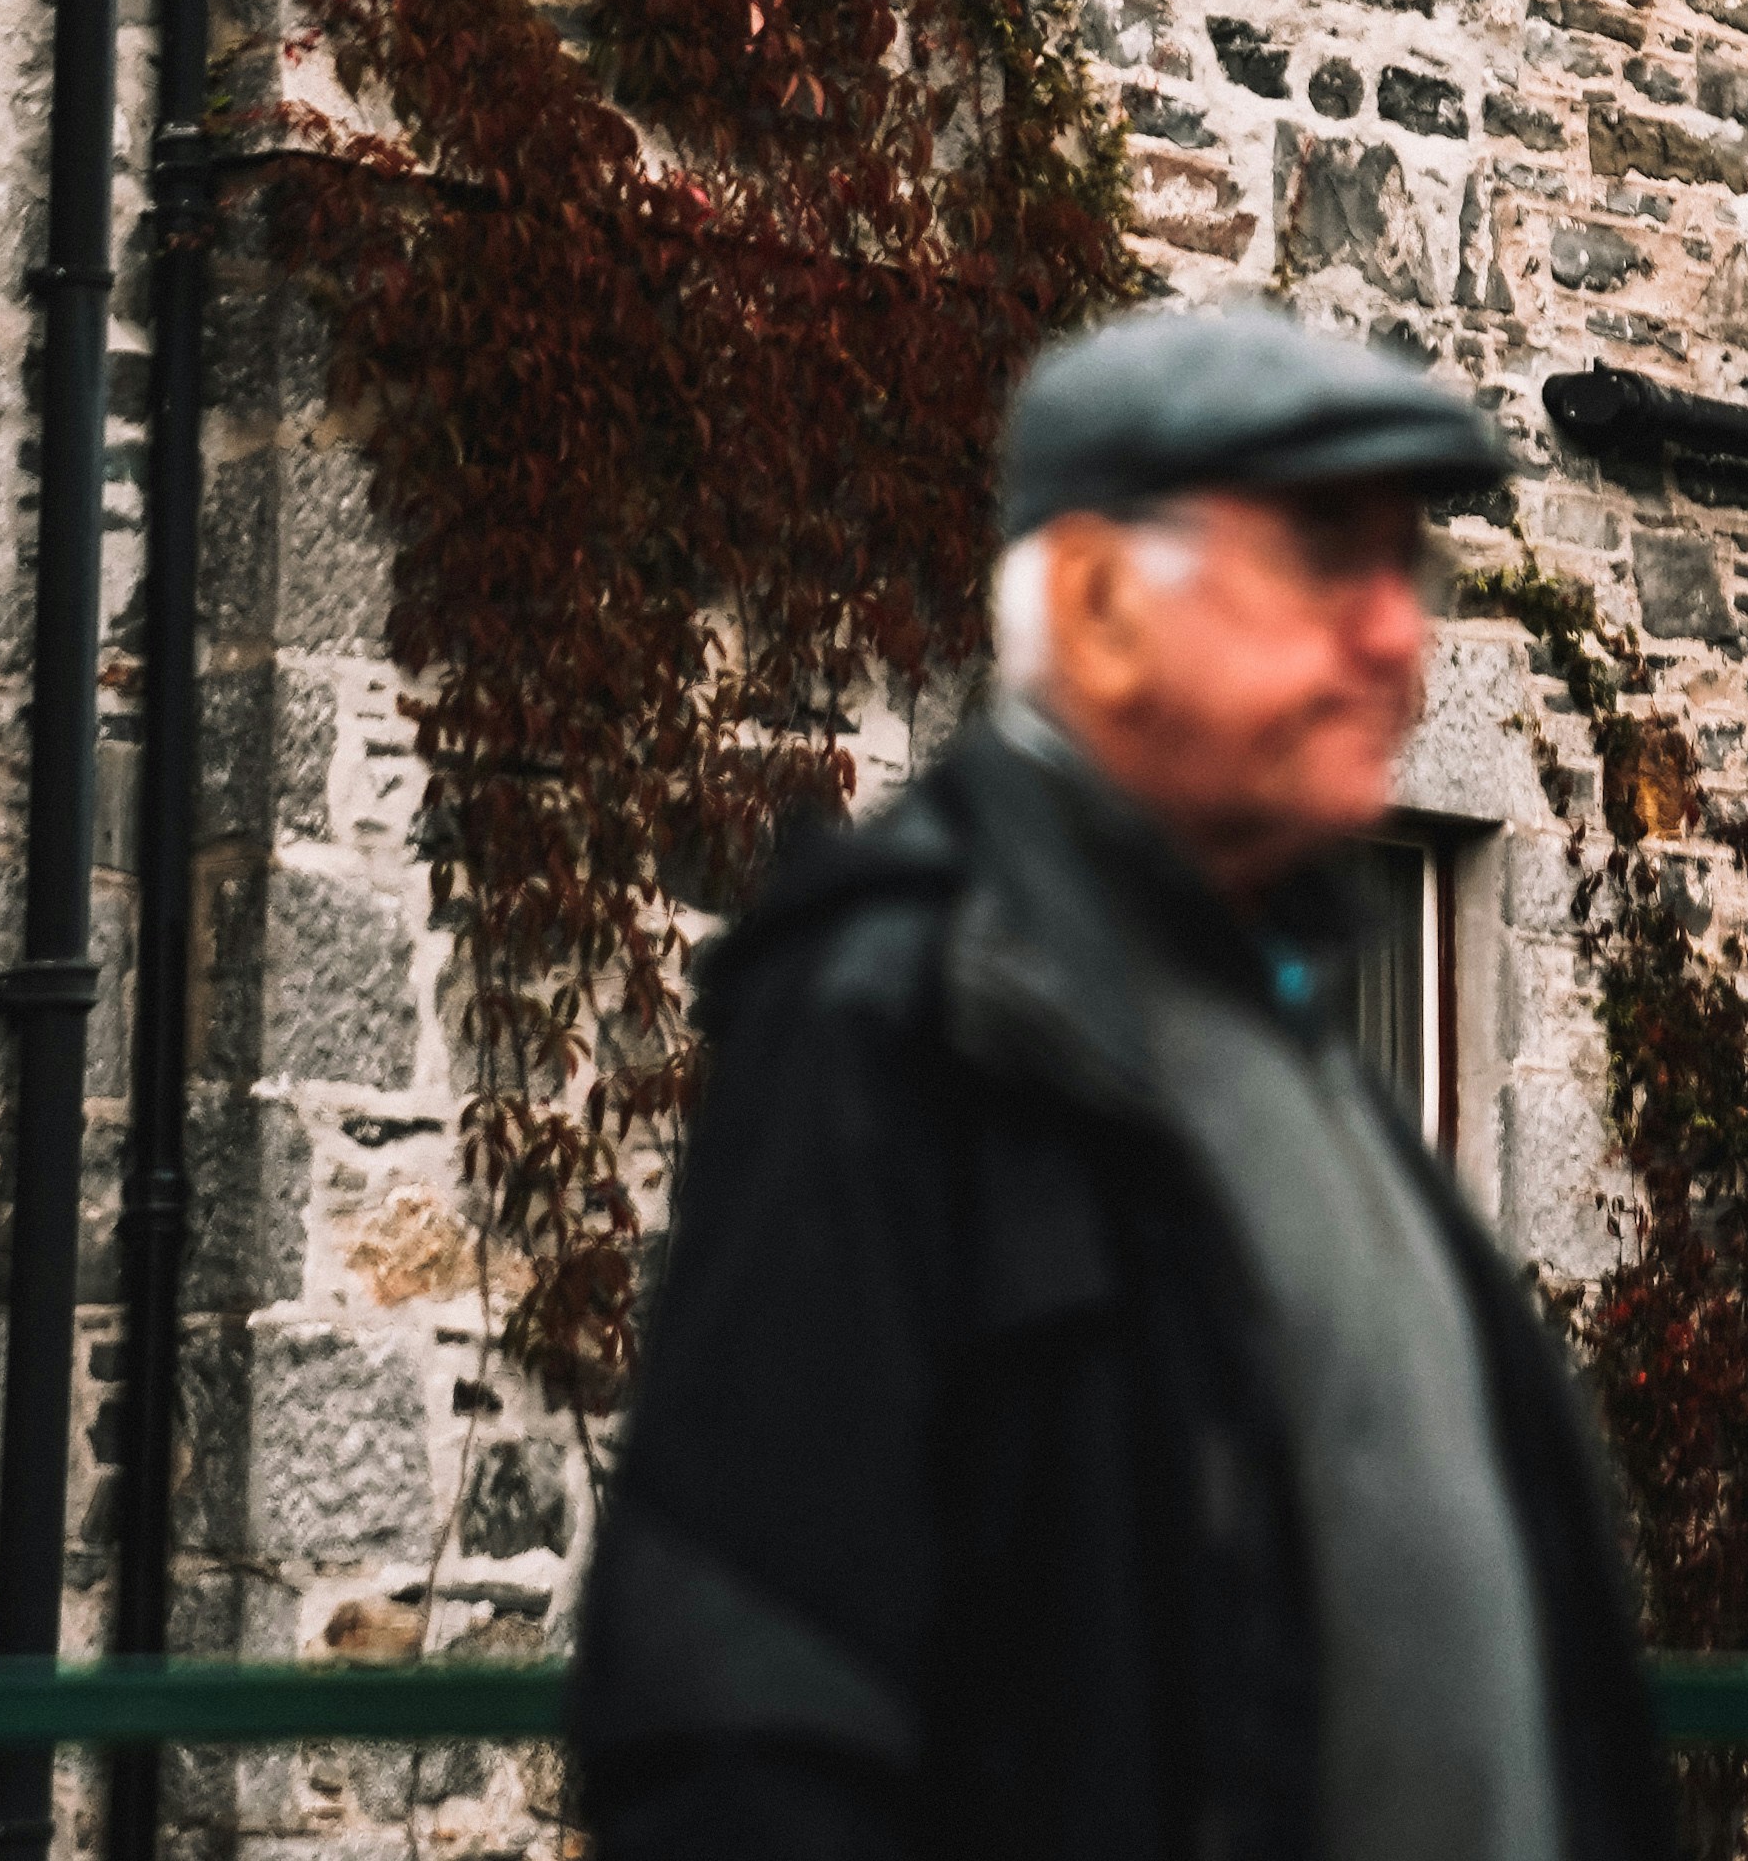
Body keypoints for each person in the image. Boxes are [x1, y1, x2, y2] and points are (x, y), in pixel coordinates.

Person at [571, 299, 1676, 1861]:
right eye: (1316, 558)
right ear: (1093, 604)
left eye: (1403, 567)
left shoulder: (1299, 1041)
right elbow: (746, 1720)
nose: (1392, 633)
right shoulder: (900, 1020)